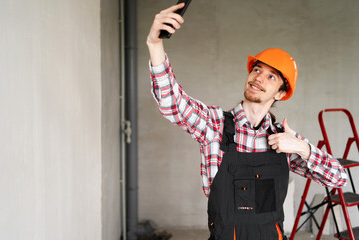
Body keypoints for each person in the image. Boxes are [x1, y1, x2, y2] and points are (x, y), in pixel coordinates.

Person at [146, 3, 348, 240]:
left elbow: (338, 178)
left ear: (281, 93)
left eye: (271, 76)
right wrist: (155, 44)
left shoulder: (283, 140)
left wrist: (302, 148)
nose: (259, 78)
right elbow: (172, 102)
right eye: (257, 70)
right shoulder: (214, 125)